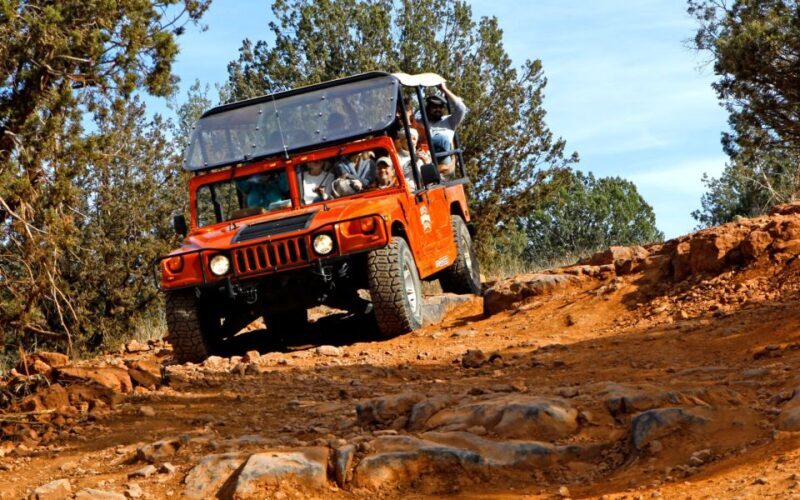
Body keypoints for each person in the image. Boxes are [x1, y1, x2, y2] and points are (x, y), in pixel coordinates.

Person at [425, 82, 467, 176]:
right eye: (434, 107)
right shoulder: (422, 122)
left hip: (445, 165)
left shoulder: (449, 121)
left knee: (441, 139)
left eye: (440, 107)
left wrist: (444, 89)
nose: (438, 110)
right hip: (428, 160)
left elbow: (461, 108)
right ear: (428, 108)